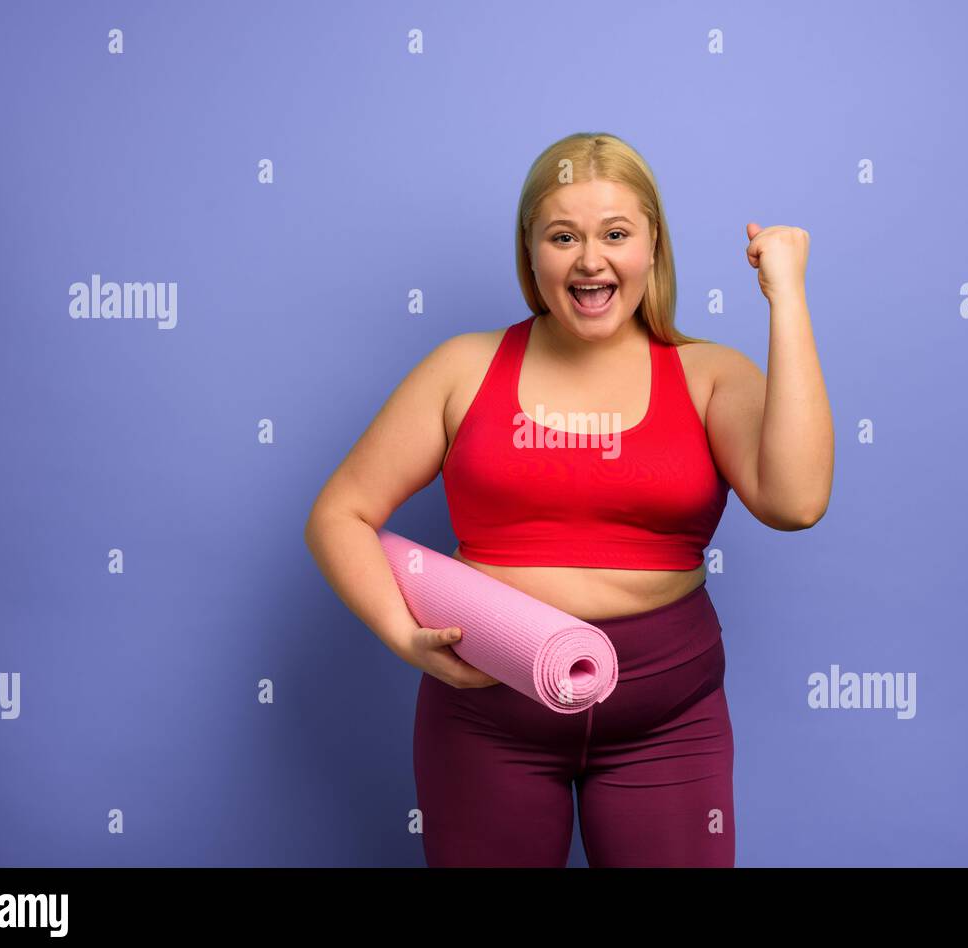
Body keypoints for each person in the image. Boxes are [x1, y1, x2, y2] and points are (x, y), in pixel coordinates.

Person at [304, 131, 834, 867]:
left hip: (668, 720)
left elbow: (797, 501)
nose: (591, 259)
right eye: (563, 236)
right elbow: (340, 513)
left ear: (653, 246)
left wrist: (788, 296)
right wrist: (403, 635)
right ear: (530, 253)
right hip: (486, 712)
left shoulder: (710, 374)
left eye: (616, 233)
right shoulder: (462, 367)